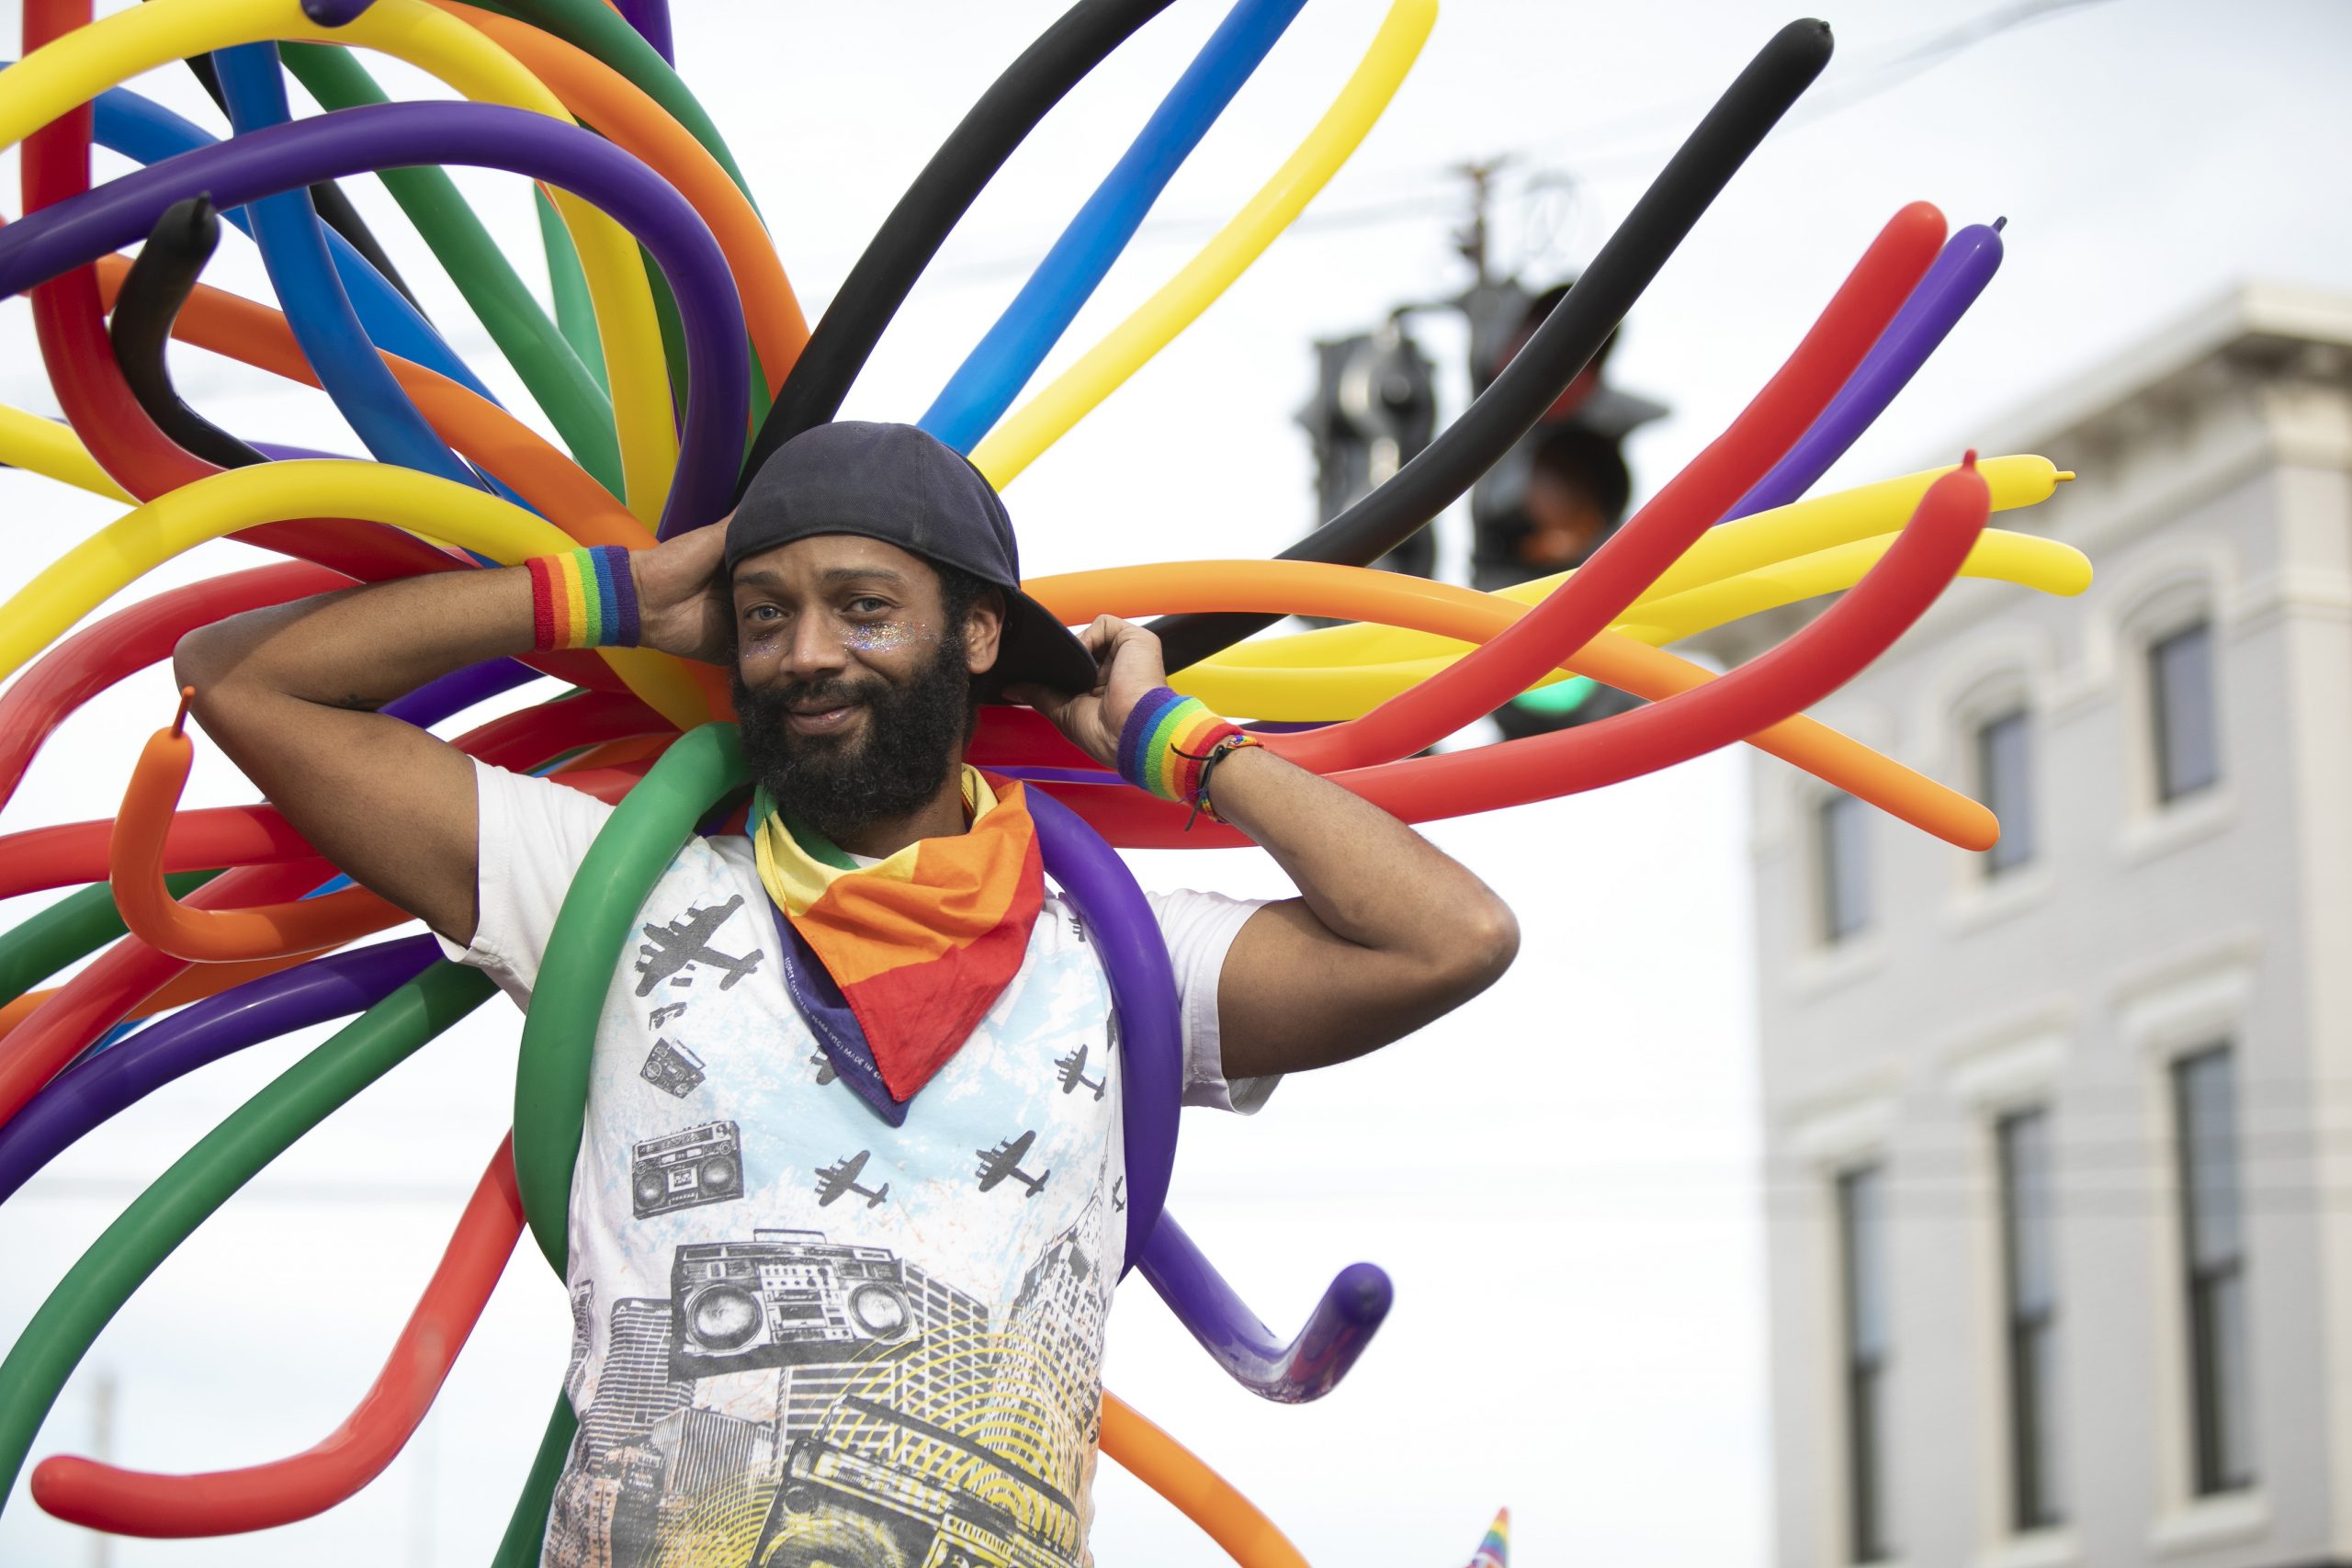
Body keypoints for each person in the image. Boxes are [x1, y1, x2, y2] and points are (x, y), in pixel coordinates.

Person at [175, 421, 1517, 1566]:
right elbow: (240, 682)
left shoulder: (1113, 955)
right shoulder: (611, 892)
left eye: (865, 608)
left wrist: (1171, 742)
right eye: (767, 615)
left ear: (979, 634)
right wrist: (619, 595)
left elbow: (1449, 936)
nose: (808, 651)